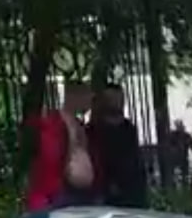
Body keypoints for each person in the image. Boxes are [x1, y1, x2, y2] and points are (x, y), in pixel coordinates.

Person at [24, 82, 96, 211]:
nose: (90, 103)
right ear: (74, 97)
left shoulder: (77, 123)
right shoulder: (55, 123)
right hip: (58, 195)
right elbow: (50, 158)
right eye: (87, 98)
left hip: (76, 192)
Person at [86, 83, 146, 208]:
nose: (117, 102)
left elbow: (135, 157)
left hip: (133, 191)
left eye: (119, 98)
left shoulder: (129, 128)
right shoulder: (93, 130)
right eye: (112, 99)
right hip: (107, 193)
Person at [167, 119, 192, 187]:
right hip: (174, 158)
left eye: (180, 126)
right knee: (173, 175)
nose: (180, 128)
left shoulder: (187, 136)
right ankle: (174, 185)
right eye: (178, 126)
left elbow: (191, 146)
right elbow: (169, 146)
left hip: (183, 157)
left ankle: (184, 185)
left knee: (185, 175)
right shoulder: (172, 135)